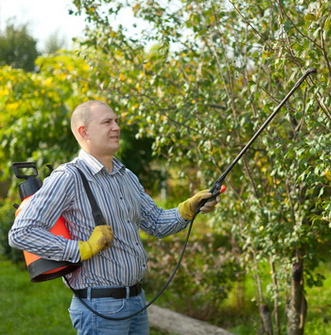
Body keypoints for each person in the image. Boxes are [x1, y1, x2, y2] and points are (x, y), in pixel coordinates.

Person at [9, 100, 220, 335]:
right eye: (107, 122)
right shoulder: (68, 177)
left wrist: (187, 209)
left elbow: (156, 224)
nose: (116, 127)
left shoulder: (126, 176)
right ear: (84, 131)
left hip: (136, 301)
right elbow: (21, 232)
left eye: (116, 121)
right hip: (100, 308)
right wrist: (82, 248)